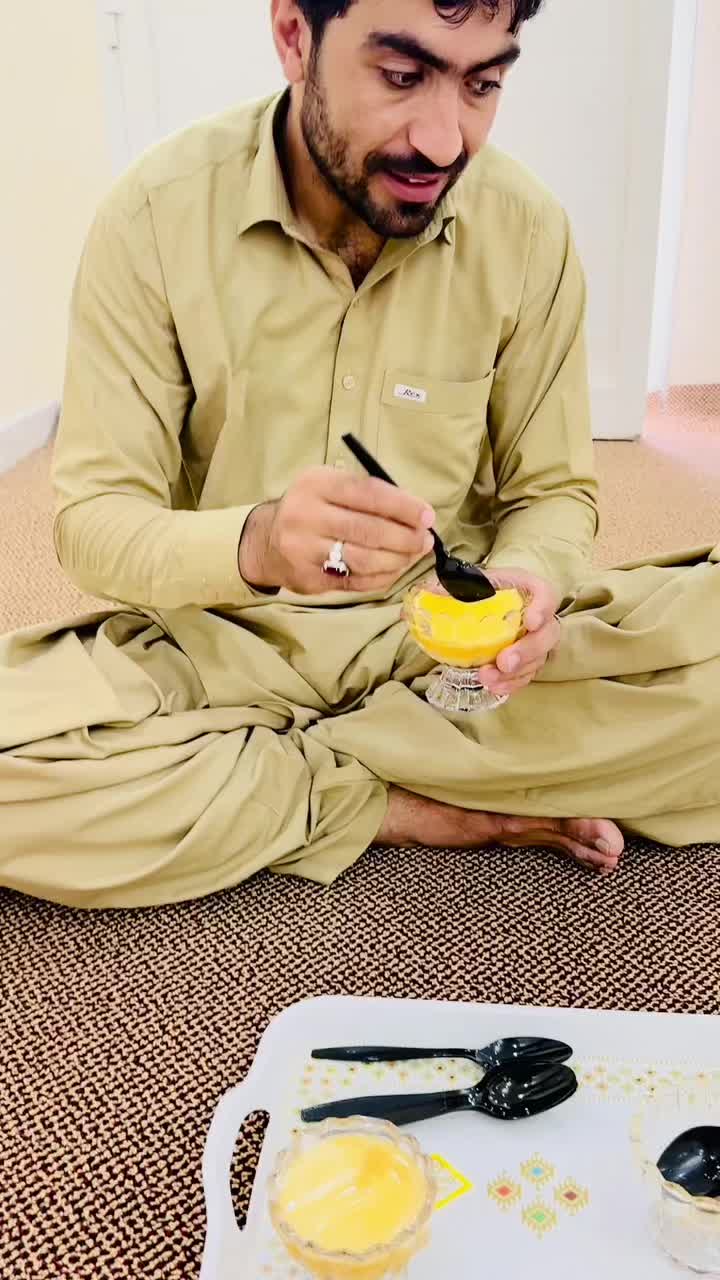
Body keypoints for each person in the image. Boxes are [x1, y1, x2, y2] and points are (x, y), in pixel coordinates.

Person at [1, 0, 718, 909]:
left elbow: (554, 491)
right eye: (402, 76)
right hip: (216, 651)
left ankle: (252, 783)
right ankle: (396, 799)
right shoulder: (154, 217)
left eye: (484, 83)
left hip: (444, 660)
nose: (443, 141)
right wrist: (258, 543)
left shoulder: (527, 230)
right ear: (293, 36)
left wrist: (531, 582)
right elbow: (93, 525)